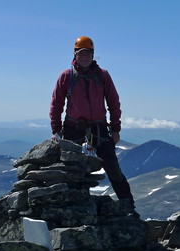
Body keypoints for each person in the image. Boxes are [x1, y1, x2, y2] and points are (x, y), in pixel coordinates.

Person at [49, 36, 138, 217]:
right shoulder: (67, 76)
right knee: (72, 171)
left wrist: (115, 129)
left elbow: (113, 102)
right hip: (73, 129)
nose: (85, 56)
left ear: (93, 55)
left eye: (88, 53)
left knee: (113, 169)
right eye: (81, 53)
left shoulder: (102, 75)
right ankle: (74, 212)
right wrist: (56, 130)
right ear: (75, 54)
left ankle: (129, 208)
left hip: (99, 129)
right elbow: (56, 104)